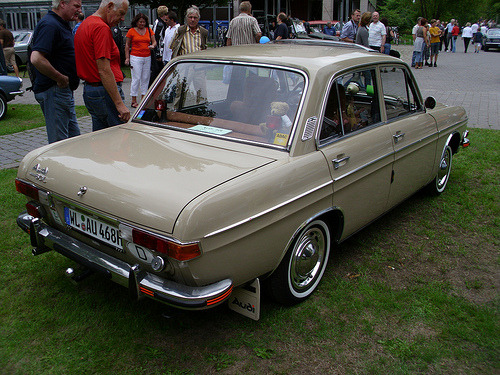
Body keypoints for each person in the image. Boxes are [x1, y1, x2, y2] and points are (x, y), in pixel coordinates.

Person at [74, 0, 131, 132]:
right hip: (104, 92)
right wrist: (119, 104)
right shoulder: (101, 28)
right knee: (118, 137)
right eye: (121, 13)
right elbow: (104, 69)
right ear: (109, 6)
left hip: (91, 91)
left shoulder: (86, 24)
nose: (122, 19)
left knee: (101, 138)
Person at [30, 0, 82, 144]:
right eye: (76, 6)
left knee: (74, 139)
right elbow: (36, 58)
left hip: (62, 92)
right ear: (62, 4)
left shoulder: (60, 24)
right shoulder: (50, 25)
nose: (79, 10)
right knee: (60, 144)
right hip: (54, 91)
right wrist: (59, 78)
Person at [125, 13, 156, 108]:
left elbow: (154, 41)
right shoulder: (131, 31)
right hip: (135, 56)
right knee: (136, 78)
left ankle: (143, 98)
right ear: (136, 22)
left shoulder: (149, 30)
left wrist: (153, 46)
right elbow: (127, 45)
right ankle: (133, 99)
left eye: (143, 22)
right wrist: (127, 58)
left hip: (147, 56)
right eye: (140, 22)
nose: (142, 24)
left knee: (145, 78)